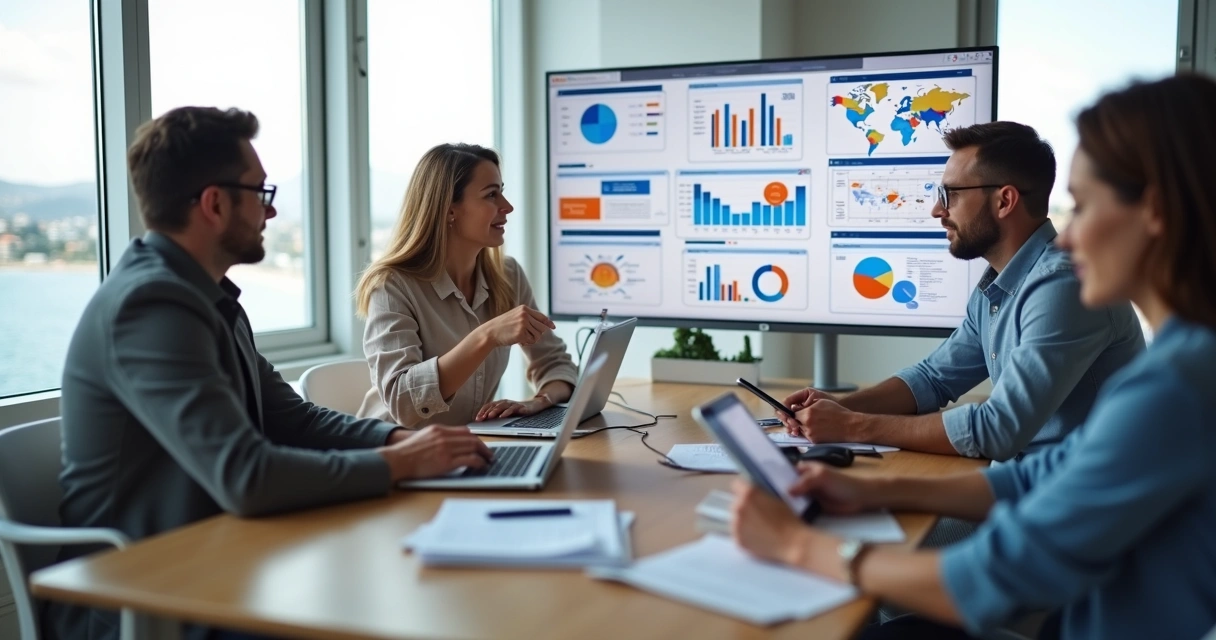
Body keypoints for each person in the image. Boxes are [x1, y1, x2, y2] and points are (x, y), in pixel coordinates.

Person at [731, 75, 1216, 640]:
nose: (1067, 235)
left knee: (847, 619)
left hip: (1068, 611)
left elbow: (999, 575)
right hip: (1072, 591)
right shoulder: (1185, 357)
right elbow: (1036, 467)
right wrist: (870, 485)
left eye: (1081, 206)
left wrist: (797, 544)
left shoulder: (1175, 385)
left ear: (1153, 210)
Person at [49, 107, 492, 640]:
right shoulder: (151, 306)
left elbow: (294, 420)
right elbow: (246, 477)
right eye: (261, 193)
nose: (272, 211)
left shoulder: (207, 299)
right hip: (138, 600)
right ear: (214, 203)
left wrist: (402, 438)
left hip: (213, 562)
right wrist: (396, 462)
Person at [779, 121, 1144, 461]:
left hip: (1070, 512)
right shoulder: (998, 285)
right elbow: (933, 378)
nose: (937, 210)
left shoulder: (1064, 286)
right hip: (1025, 491)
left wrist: (852, 426)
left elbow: (998, 429)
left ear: (1004, 201)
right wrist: (843, 406)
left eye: (950, 193)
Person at [355, 143, 578, 428]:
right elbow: (404, 404)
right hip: (392, 453)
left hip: (468, 448)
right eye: (491, 195)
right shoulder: (392, 287)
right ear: (450, 211)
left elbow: (555, 363)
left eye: (502, 191)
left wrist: (538, 401)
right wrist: (487, 336)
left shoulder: (508, 275)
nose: (507, 207)